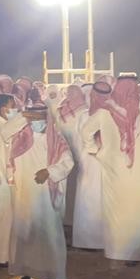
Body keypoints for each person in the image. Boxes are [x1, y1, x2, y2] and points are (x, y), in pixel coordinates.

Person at [80, 75, 140, 264]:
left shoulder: (106, 109)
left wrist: (96, 151)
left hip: (115, 171)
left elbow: (86, 131)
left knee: (120, 212)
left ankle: (120, 252)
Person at [8, 104, 74, 279]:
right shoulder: (20, 138)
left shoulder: (56, 139)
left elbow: (68, 162)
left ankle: (53, 274)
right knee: (25, 234)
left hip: (45, 197)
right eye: (34, 118)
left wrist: (49, 172)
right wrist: (23, 116)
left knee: (49, 235)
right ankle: (25, 275)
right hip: (24, 196)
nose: (37, 122)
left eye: (41, 118)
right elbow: (5, 131)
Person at [56, 84, 101, 250]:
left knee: (82, 196)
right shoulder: (65, 111)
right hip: (73, 159)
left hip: (82, 160)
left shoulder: (83, 112)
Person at [0, 94, 28, 263]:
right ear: (3, 109)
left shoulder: (13, 125)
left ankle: (8, 253)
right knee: (3, 214)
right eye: (13, 107)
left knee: (13, 214)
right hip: (0, 176)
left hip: (14, 176)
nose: (16, 110)